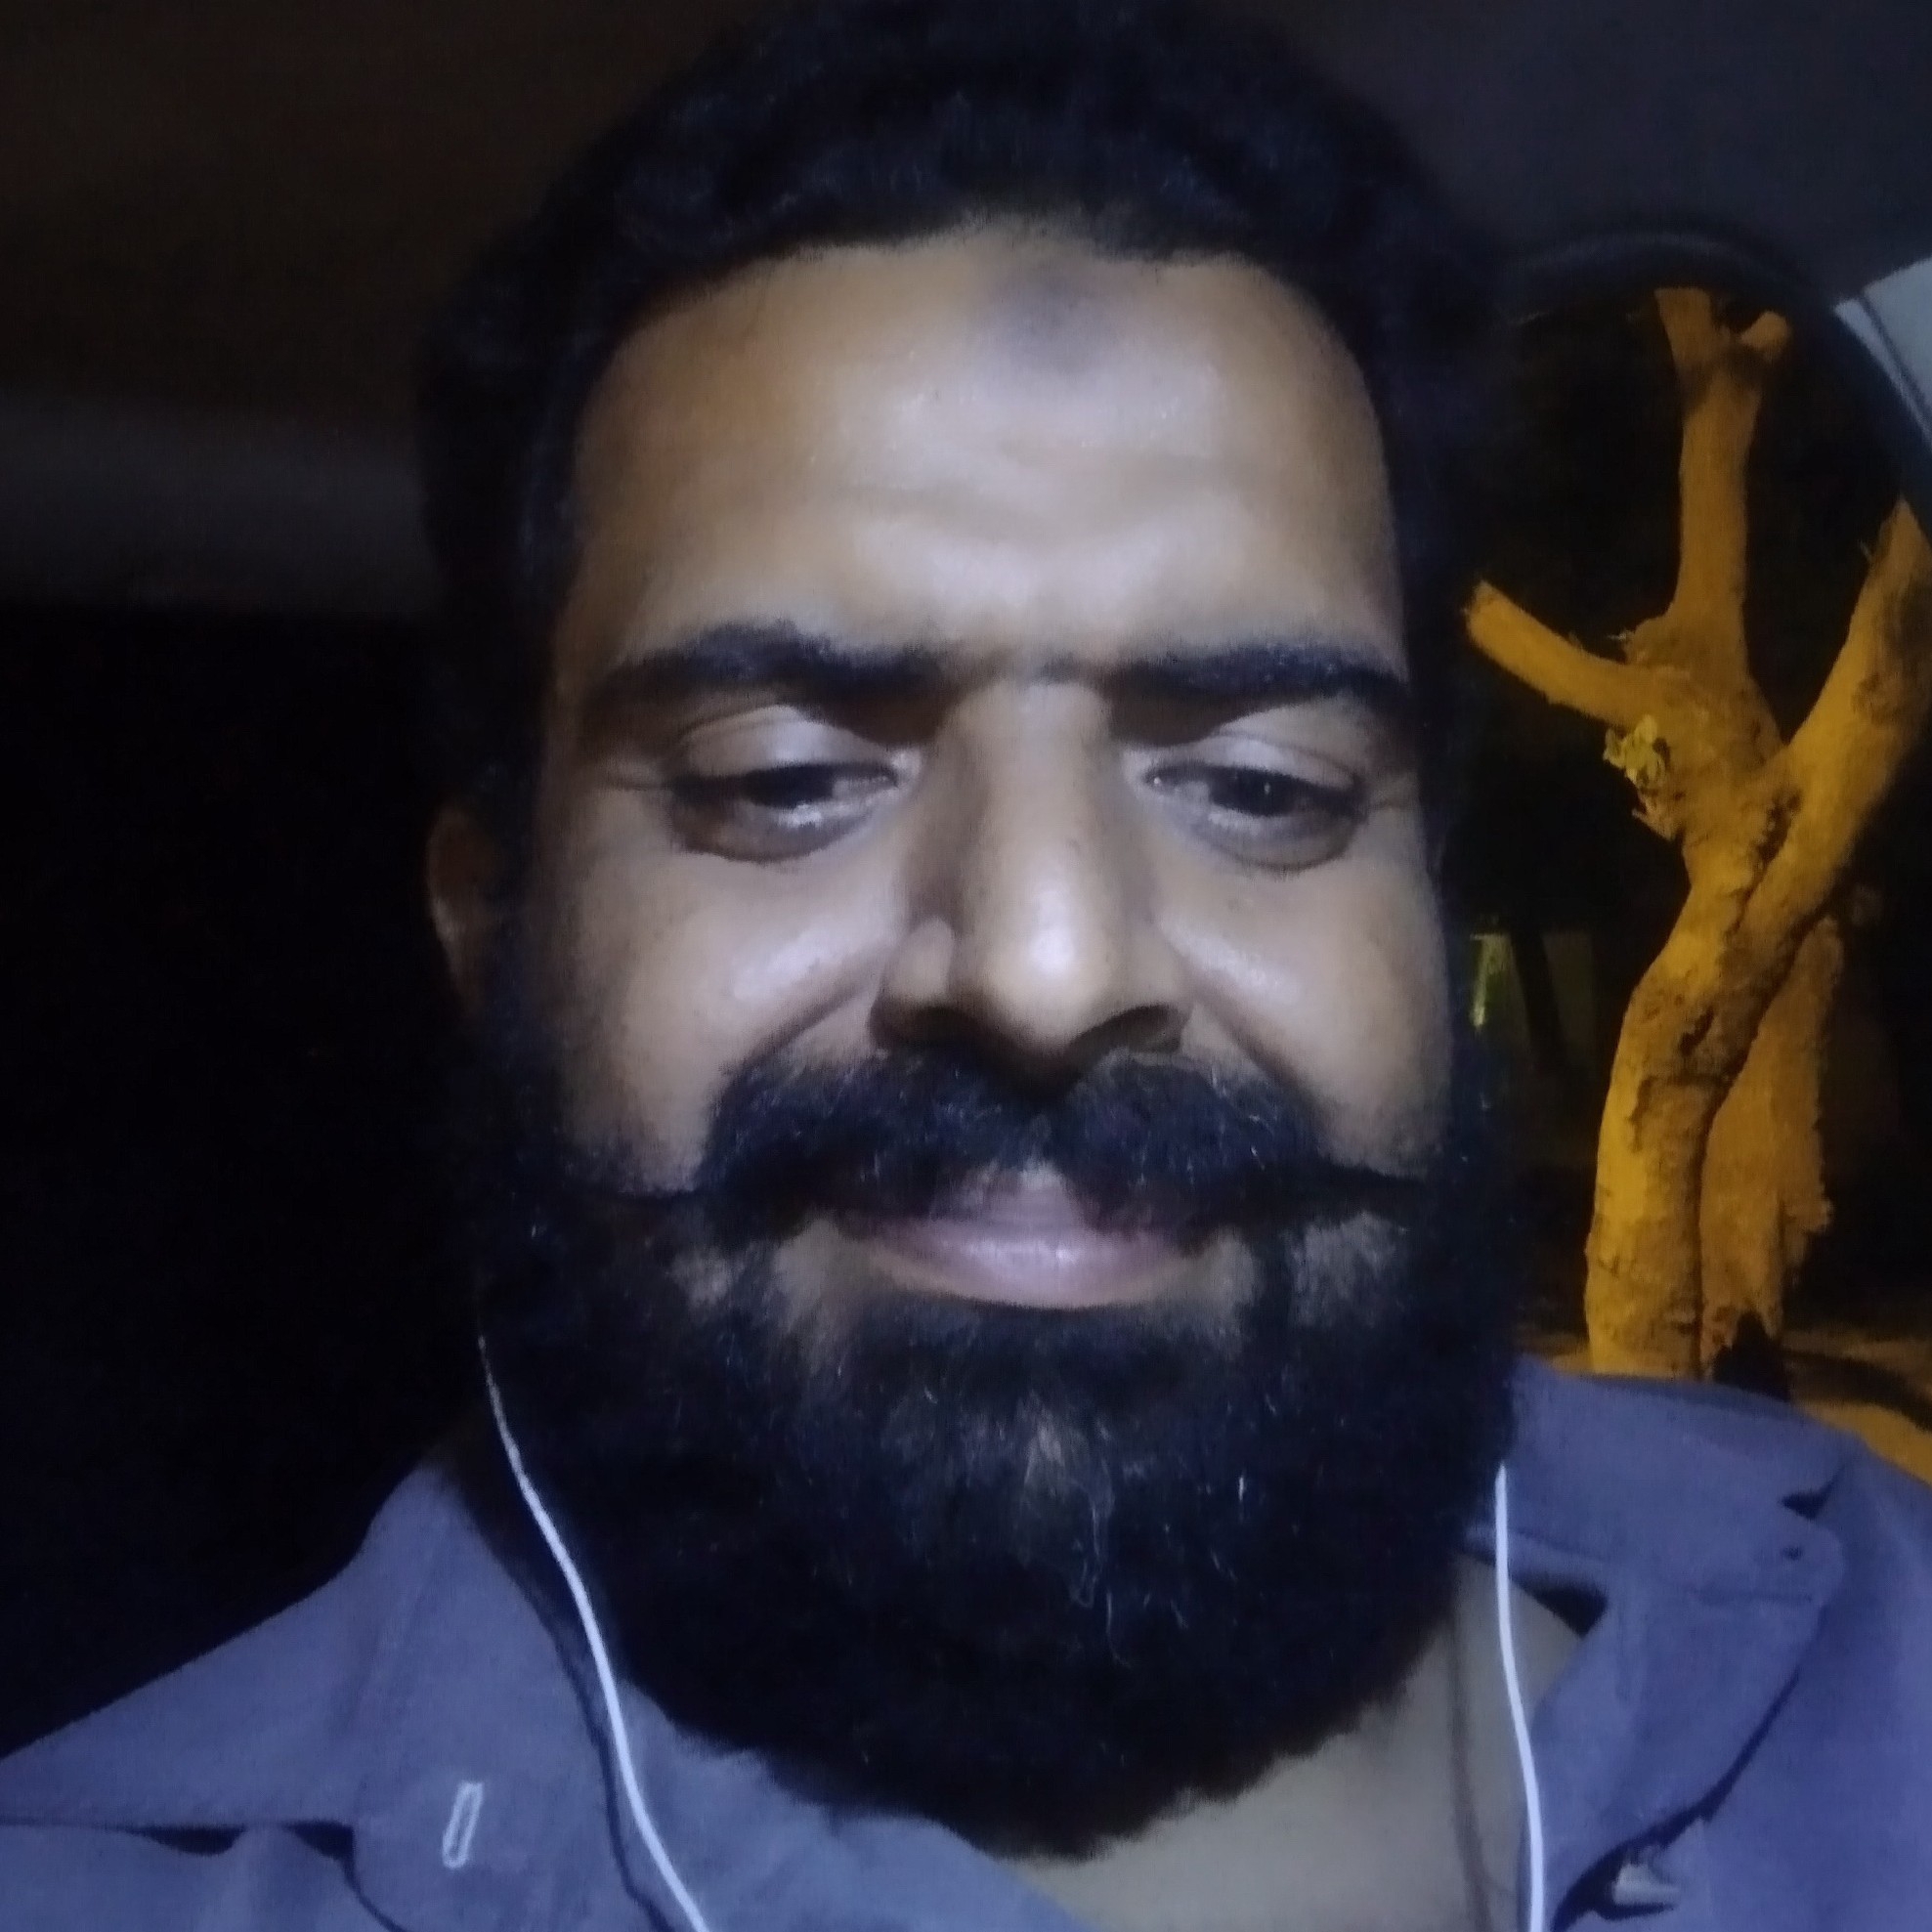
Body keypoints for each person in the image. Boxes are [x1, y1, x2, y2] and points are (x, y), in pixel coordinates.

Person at [4, 3, 1930, 1927]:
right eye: (783, 778)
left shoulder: (1871, 1599)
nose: (1045, 962)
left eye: (1259, 787)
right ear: (492, 925)